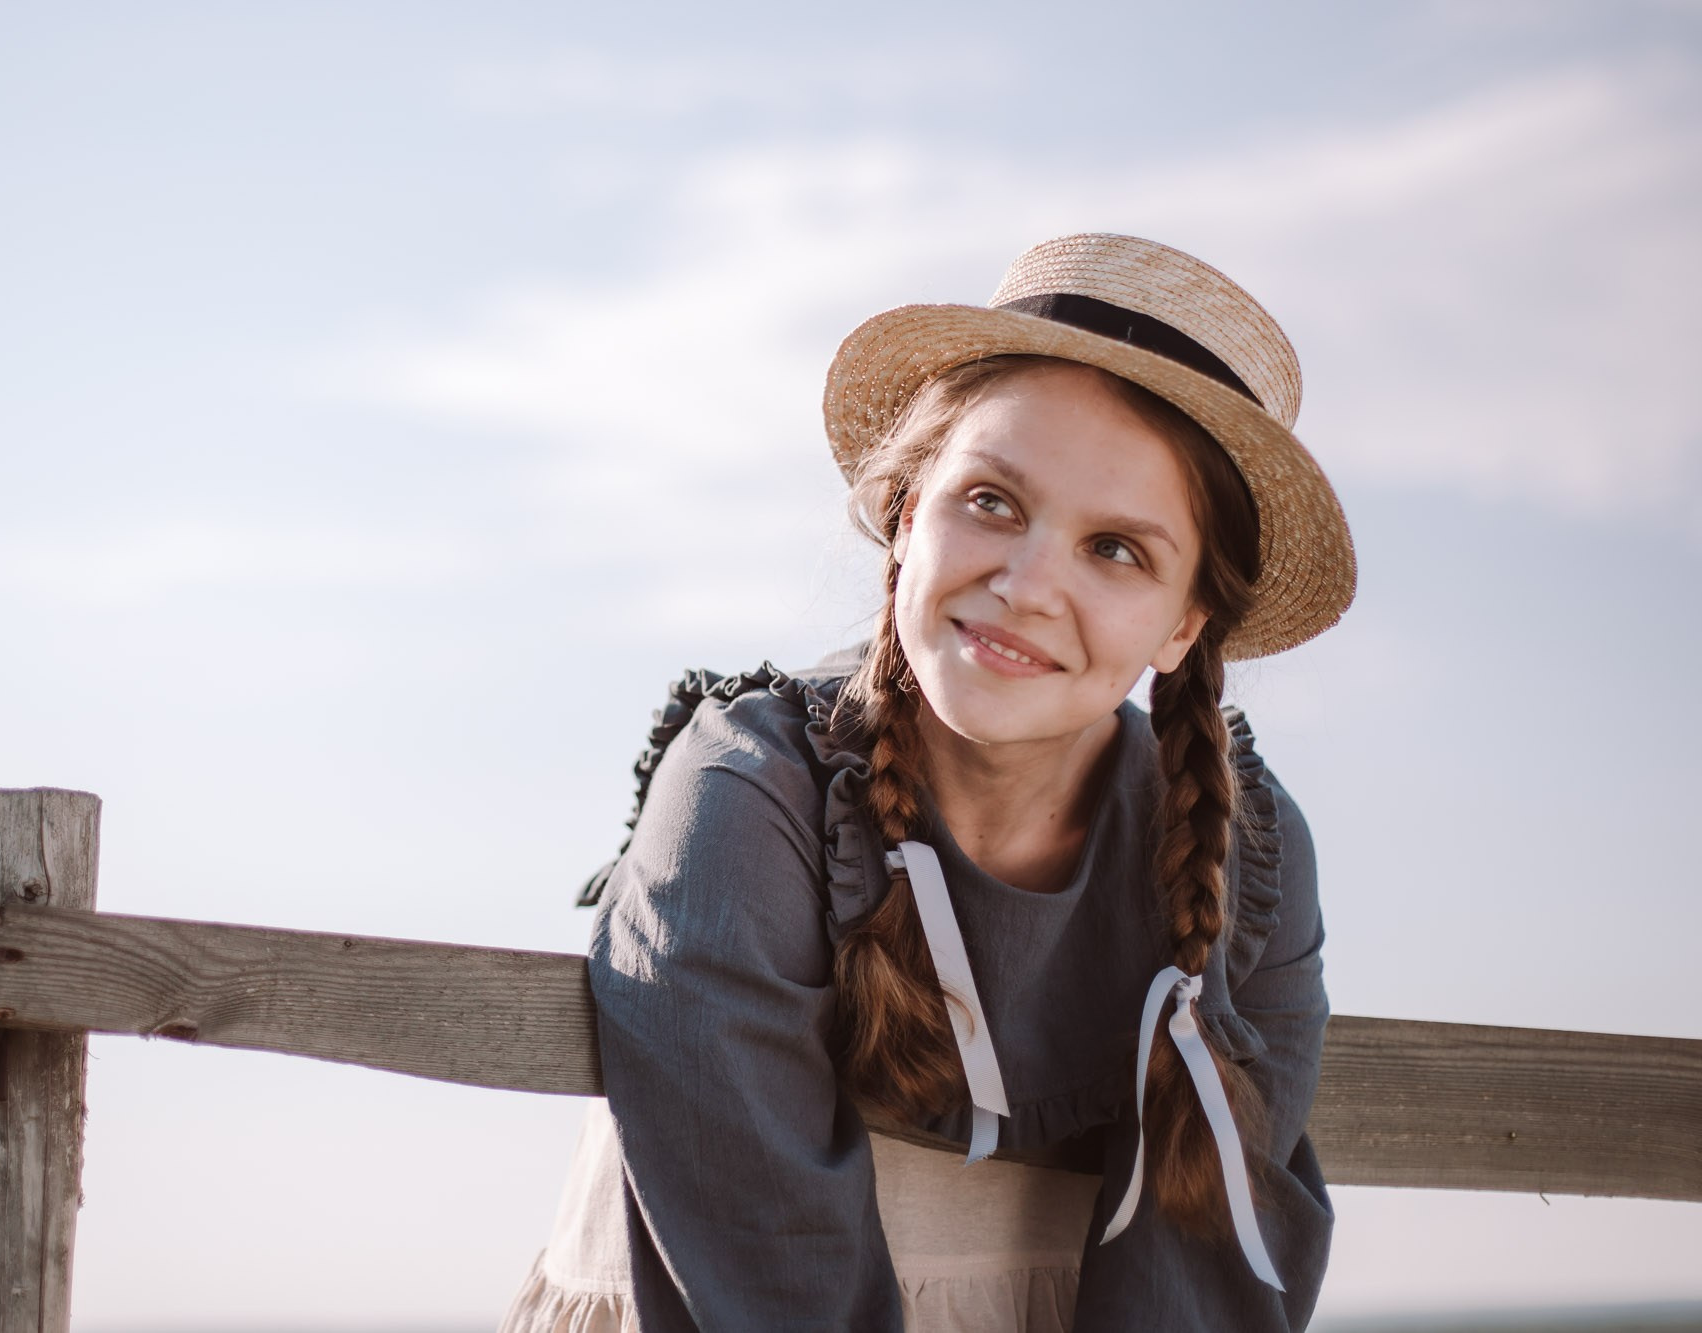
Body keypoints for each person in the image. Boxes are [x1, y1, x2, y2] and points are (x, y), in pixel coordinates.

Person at [500, 233, 1355, 1332]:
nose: (1026, 584)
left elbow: (1202, 1273)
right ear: (906, 514)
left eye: (1116, 551)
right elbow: (775, 1281)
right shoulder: (748, 794)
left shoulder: (1247, 856)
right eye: (991, 501)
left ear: (1183, 624)